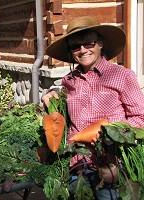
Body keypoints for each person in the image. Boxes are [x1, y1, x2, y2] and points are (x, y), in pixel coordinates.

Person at [42, 16, 144, 199]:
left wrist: (112, 139)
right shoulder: (69, 81)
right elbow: (64, 109)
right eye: (75, 46)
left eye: (89, 43)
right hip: (76, 167)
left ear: (100, 44)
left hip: (111, 168)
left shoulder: (122, 76)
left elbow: (140, 118)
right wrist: (49, 94)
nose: (82, 50)